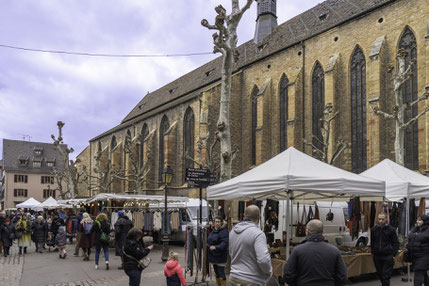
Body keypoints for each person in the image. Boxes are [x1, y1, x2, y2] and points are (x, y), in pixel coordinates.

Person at [283, 219, 347, 286]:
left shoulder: (297, 250)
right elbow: (342, 276)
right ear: (322, 232)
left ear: (307, 231)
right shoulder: (334, 251)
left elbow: (288, 274)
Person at [229, 205, 272, 286]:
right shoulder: (258, 234)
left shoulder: (233, 231)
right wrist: (269, 271)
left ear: (244, 216)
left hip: (234, 276)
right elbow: (263, 260)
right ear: (259, 217)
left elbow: (231, 253)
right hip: (252, 279)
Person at [370, 213, 399, 286]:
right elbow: (372, 241)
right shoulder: (374, 229)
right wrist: (373, 252)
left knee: (385, 275)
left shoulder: (391, 229)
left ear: (386, 219)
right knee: (380, 274)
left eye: (382, 219)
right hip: (377, 256)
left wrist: (393, 254)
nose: (381, 221)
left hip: (388, 256)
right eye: (379, 219)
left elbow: (395, 242)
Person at [407, 215, 429, 286]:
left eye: (419, 220)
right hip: (415, 257)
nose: (417, 221)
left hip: (424, 257)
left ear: (425, 221)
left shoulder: (427, 231)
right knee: (423, 273)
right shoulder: (415, 229)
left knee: (418, 276)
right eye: (417, 220)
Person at [207, 216, 229, 286]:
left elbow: (224, 244)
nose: (217, 223)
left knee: (221, 274)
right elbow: (209, 240)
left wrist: (215, 247)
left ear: (221, 222)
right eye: (215, 222)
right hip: (213, 256)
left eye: (218, 222)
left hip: (220, 256)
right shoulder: (213, 230)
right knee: (216, 273)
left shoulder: (224, 231)